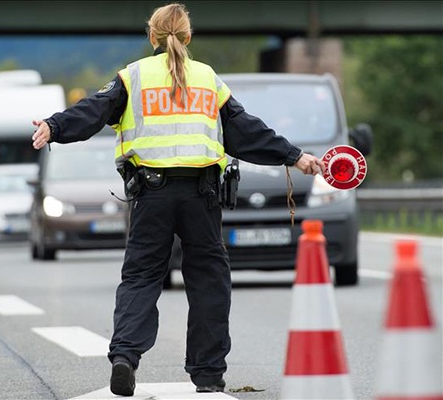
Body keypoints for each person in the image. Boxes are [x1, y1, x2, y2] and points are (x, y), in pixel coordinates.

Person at [31, 3, 324, 396]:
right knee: (208, 280)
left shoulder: (133, 76)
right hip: (201, 195)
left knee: (141, 276)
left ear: (152, 36)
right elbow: (246, 131)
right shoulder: (207, 79)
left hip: (151, 194)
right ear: (188, 36)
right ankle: (208, 376)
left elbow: (93, 111)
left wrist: (54, 126)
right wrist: (295, 156)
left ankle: (125, 357)